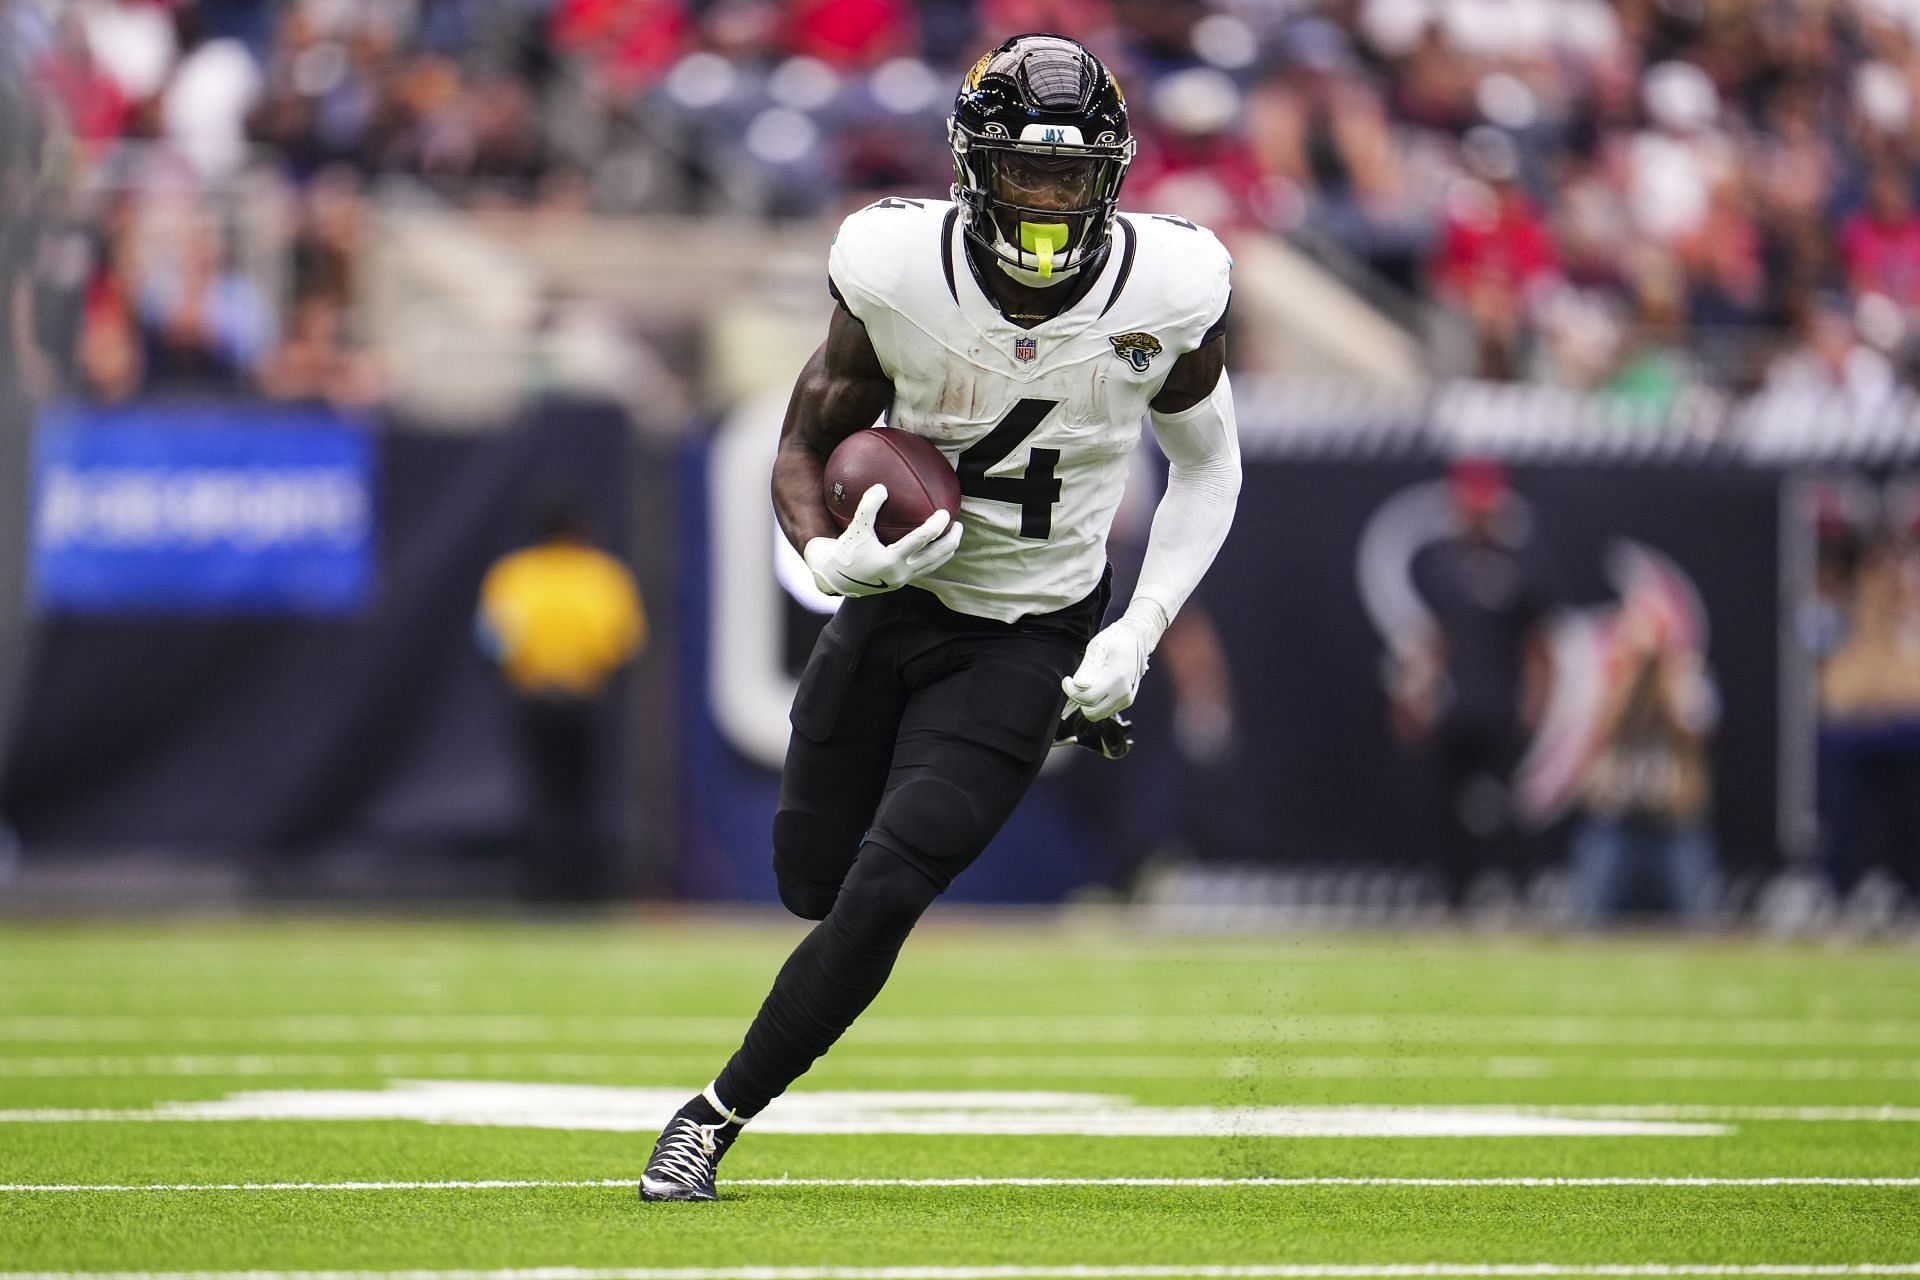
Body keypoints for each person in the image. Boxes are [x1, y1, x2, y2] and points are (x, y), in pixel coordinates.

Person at [637, 33, 1239, 1201]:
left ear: (1112, 175)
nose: (1048, 199)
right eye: (1025, 170)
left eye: (1069, 176)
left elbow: (1210, 469)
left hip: (1030, 631)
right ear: (973, 166)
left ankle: (710, 1117)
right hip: (900, 598)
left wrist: (1138, 627)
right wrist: (827, 552)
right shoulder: (894, 264)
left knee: (885, 885)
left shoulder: (1169, 288)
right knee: (810, 877)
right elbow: (809, 440)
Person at [1389, 458, 1554, 909]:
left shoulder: (1521, 564)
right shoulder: (1439, 564)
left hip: (1502, 705)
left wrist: (1538, 702)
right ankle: (1452, 897)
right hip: (1453, 704)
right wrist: (1414, 694)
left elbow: (1537, 644)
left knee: (1510, 807)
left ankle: (1519, 895)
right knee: (1445, 805)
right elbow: (1428, 638)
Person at [476, 502, 645, 902]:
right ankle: (581, 889)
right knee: (582, 793)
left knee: (542, 791)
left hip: (533, 696)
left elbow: (491, 642)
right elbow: (624, 646)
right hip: (582, 698)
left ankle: (539, 887)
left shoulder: (515, 573)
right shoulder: (601, 574)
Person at [1567, 600, 1718, 923]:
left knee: (1699, 924)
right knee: (1590, 921)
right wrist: (1629, 682)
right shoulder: (1605, 679)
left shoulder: (1689, 678)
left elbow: (1696, 733)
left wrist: (1663, 680)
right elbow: (1597, 734)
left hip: (1674, 822)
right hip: (1615, 818)